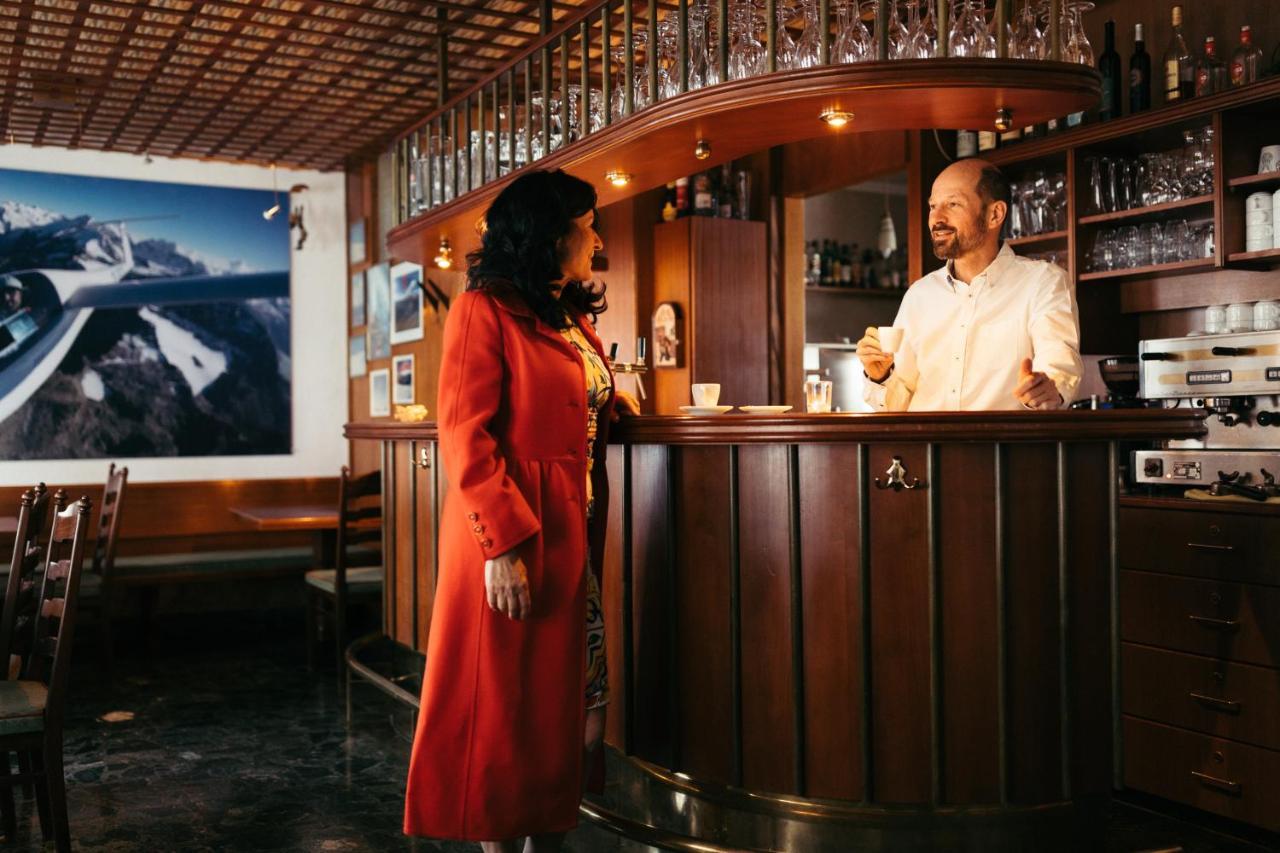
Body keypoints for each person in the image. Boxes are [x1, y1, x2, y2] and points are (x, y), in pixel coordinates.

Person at [404, 169, 639, 853]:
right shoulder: (483, 307)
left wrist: (610, 405)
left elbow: (577, 396)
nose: (597, 236)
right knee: (505, 713)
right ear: (551, 231)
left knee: (566, 710)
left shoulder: (566, 313)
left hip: (571, 536)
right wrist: (500, 545)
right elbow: (465, 436)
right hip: (513, 536)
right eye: (588, 222)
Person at [856, 159, 1082, 411]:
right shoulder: (919, 295)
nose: (936, 218)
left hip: (1003, 448)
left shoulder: (1043, 282)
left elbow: (1060, 368)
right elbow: (898, 406)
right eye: (933, 206)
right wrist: (880, 376)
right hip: (927, 449)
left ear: (994, 214)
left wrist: (1048, 389)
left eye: (953, 204)